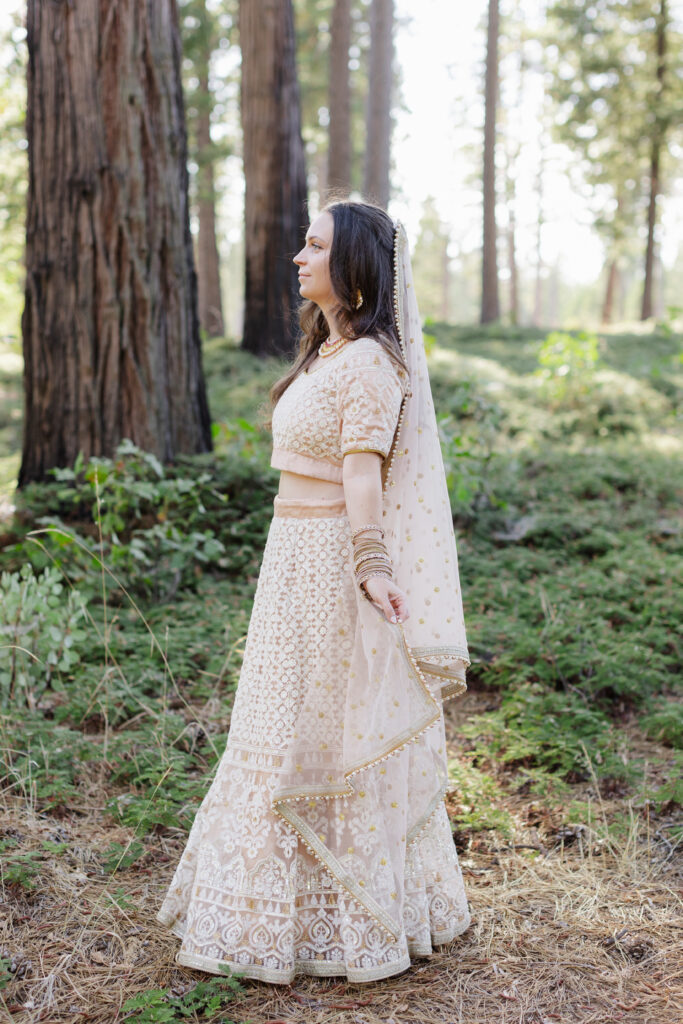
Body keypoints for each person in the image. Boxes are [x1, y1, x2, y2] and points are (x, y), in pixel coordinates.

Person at [156, 198, 471, 984]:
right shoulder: (329, 356)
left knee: (315, 732)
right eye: (302, 242)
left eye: (314, 245)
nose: (298, 256)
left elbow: (363, 475)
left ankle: (348, 916)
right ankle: (282, 912)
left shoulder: (368, 364)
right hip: (289, 556)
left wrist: (370, 562)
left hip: (329, 562)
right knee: (281, 723)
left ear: (354, 268)